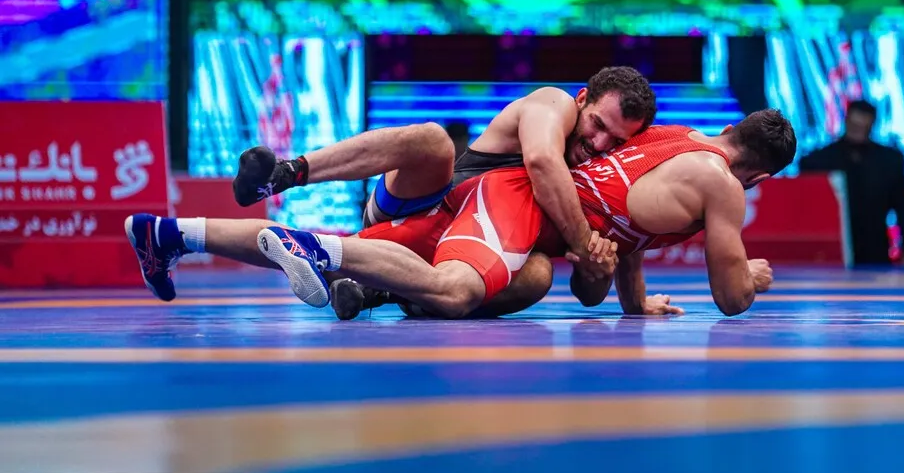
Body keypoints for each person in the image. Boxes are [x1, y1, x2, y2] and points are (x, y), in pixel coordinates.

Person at [125, 110, 793, 318]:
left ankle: (170, 233)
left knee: (526, 276)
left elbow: (621, 240)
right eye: (595, 127)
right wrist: (754, 277)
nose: (598, 142)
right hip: (502, 198)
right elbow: (730, 299)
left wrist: (631, 298)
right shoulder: (724, 188)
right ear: (760, 175)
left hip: (493, 210)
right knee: (456, 289)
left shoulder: (671, 138)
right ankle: (309, 216)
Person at [232, 66, 656, 308]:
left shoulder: (607, 176)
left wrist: (613, 281)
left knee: (539, 273)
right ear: (581, 99)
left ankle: (389, 290)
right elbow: (542, 161)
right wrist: (583, 242)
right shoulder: (554, 104)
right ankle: (285, 174)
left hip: (461, 256)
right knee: (435, 141)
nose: (600, 143)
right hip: (420, 205)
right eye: (597, 124)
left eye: (616, 140)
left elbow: (596, 285)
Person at [799, 99, 904, 267]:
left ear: (872, 125)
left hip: (875, 248)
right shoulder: (817, 161)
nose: (858, 130)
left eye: (863, 126)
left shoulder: (890, 161)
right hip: (829, 250)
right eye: (854, 125)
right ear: (846, 121)